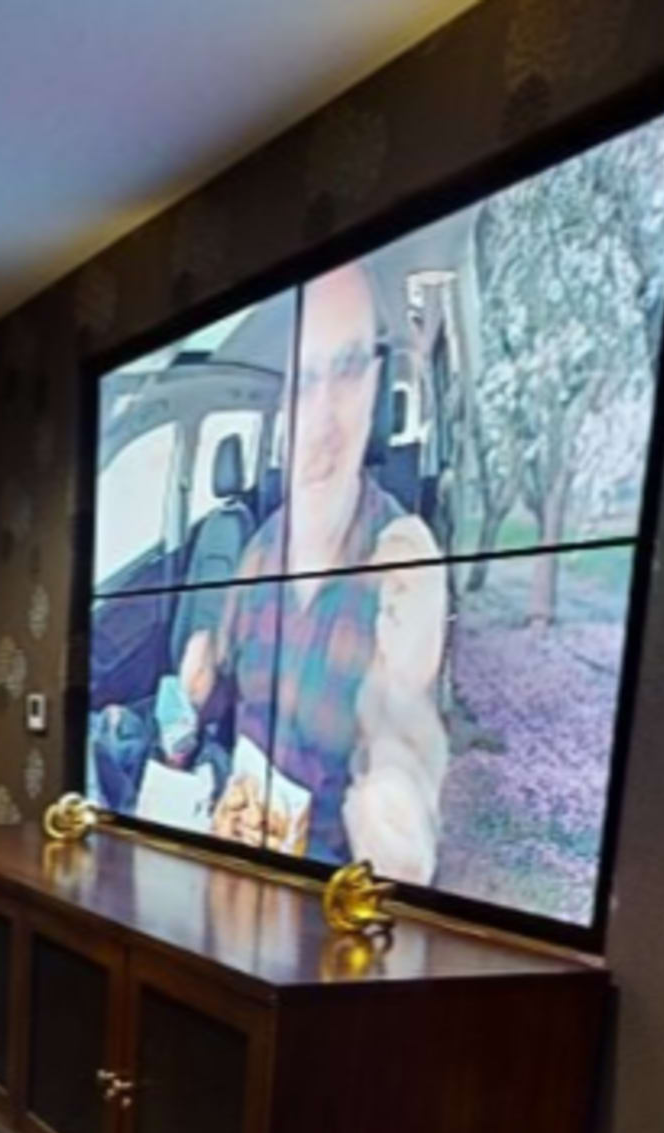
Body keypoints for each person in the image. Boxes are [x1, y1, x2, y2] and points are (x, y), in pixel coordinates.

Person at [175, 261, 450, 875]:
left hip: (326, 891)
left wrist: (398, 806)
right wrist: (202, 683)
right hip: (236, 851)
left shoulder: (403, 560)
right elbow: (222, 699)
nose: (325, 418)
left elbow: (403, 731)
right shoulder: (254, 555)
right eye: (304, 383)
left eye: (347, 370)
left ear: (375, 383)